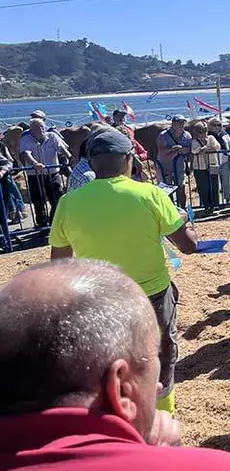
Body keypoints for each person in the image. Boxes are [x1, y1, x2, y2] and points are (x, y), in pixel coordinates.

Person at [0, 259, 230, 471]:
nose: (158, 386)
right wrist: (162, 459)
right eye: (152, 363)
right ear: (119, 388)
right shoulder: (217, 470)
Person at [49, 128, 198, 415]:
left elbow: (59, 264)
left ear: (91, 163)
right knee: (161, 355)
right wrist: (182, 220)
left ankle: (120, 414)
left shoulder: (68, 203)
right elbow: (189, 246)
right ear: (129, 159)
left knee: (112, 359)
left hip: (101, 298)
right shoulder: (151, 194)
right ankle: (163, 414)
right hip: (152, 293)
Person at [19, 117, 72, 228]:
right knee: (38, 201)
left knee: (57, 198)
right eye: (37, 128)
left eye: (42, 127)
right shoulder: (26, 139)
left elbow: (62, 149)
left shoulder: (52, 136)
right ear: (31, 130)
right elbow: (26, 153)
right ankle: (42, 225)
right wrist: (35, 164)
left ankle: (54, 223)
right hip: (35, 175)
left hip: (53, 173)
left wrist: (70, 157)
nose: (41, 130)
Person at [156, 116, 192, 208]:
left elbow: (188, 149)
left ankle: (183, 209)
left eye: (183, 123)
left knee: (181, 187)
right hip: (165, 167)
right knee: (166, 189)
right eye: (179, 123)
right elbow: (161, 150)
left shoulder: (187, 135)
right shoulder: (163, 135)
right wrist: (174, 149)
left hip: (180, 167)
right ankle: (170, 208)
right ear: (173, 124)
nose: (181, 125)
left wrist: (180, 150)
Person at [190, 121, 221, 211]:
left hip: (213, 165)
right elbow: (196, 151)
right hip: (200, 168)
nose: (203, 134)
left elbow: (217, 147)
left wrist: (205, 148)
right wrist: (207, 147)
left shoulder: (211, 138)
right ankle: (206, 206)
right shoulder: (194, 142)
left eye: (205, 131)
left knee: (214, 186)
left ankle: (215, 206)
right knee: (203, 187)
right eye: (201, 132)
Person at [207, 118, 230, 205]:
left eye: (219, 125)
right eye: (214, 125)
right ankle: (216, 202)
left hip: (225, 161)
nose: (217, 127)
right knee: (215, 183)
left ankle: (227, 200)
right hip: (213, 162)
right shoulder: (207, 136)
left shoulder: (225, 134)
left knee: (226, 181)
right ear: (210, 126)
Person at [0, 140, 25, 224]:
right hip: (5, 172)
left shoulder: (1, 145)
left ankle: (19, 212)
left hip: (4, 174)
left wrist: (4, 170)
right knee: (11, 192)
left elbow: (8, 160)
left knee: (12, 192)